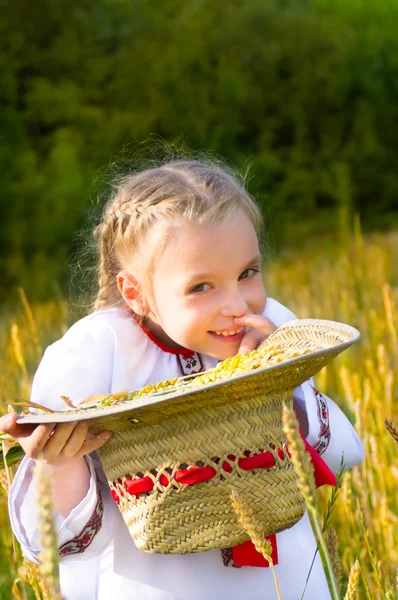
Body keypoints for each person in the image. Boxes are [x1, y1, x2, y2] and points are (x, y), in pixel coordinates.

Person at [3, 159, 363, 600]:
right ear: (135, 293)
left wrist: (276, 380)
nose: (235, 303)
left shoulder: (269, 326)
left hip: (282, 577)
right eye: (201, 287)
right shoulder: (96, 355)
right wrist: (58, 462)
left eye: (247, 273)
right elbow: (52, 546)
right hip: (159, 584)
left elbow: (342, 455)